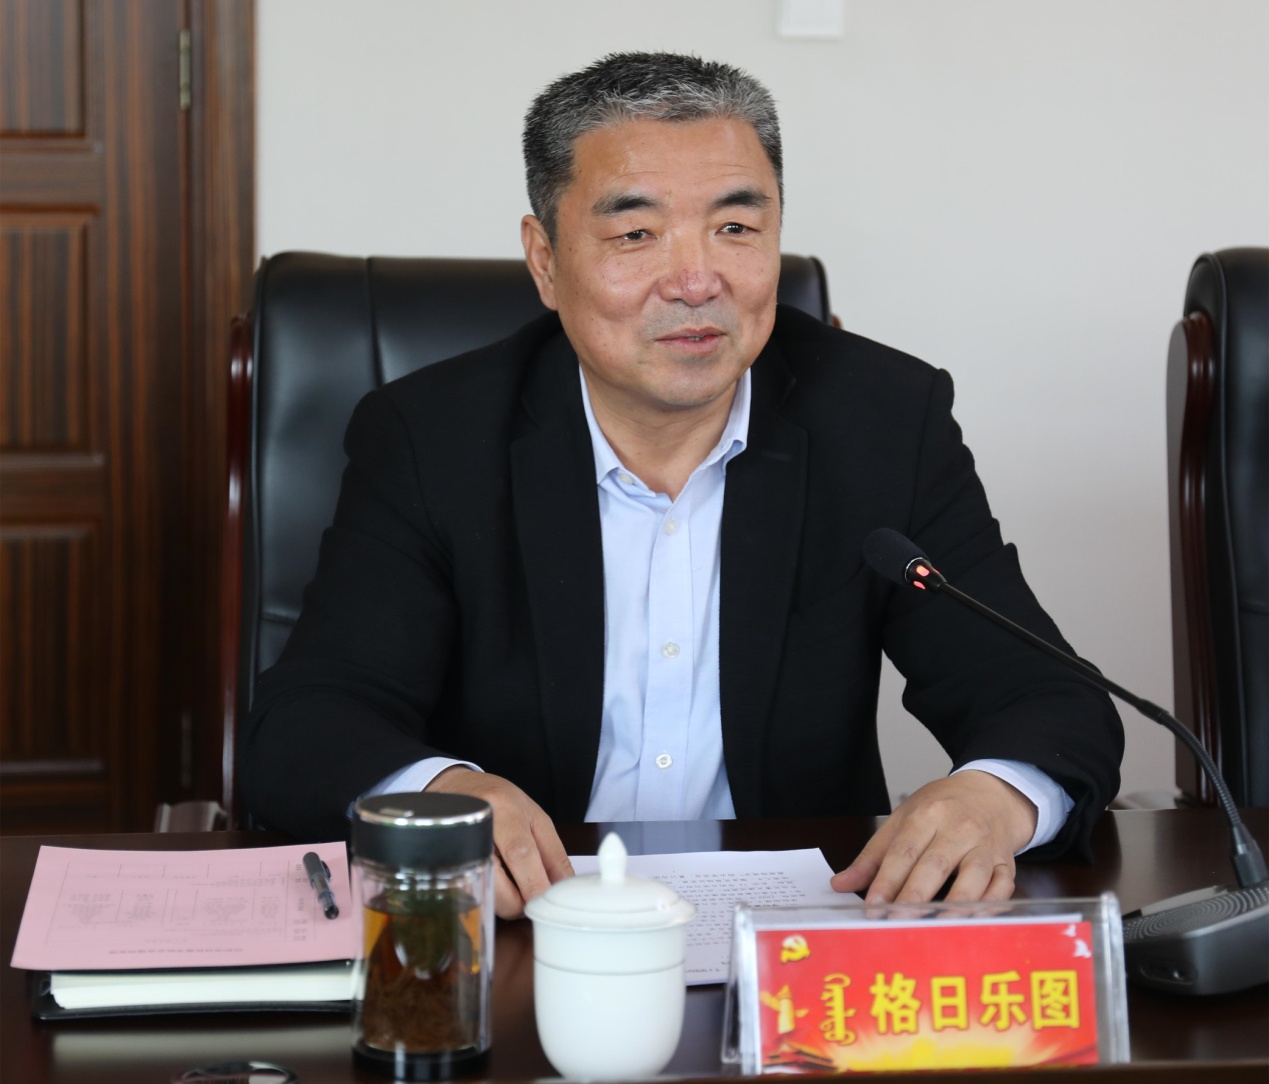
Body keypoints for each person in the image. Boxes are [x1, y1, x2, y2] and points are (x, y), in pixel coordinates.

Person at [241, 52, 1122, 920]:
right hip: (524, 937)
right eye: (635, 235)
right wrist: (443, 793)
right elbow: (308, 720)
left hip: (789, 946)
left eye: (735, 228)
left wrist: (993, 797)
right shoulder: (432, 438)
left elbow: (1046, 697)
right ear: (544, 260)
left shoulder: (882, 422)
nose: (697, 281)